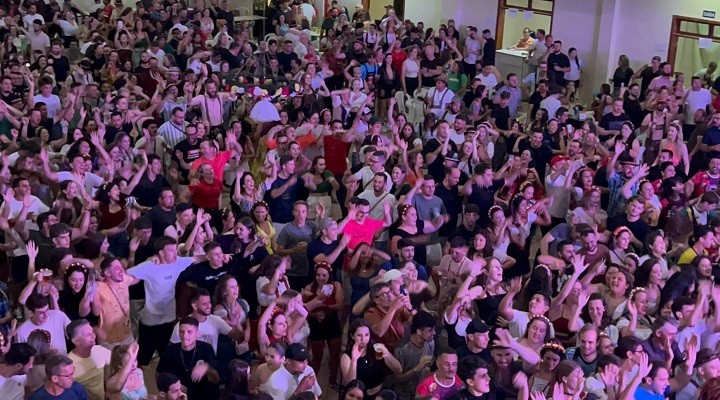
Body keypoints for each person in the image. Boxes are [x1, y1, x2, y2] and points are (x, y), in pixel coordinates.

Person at [157, 316, 220, 399]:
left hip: (204, 395)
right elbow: (159, 375)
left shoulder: (206, 349)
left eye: (189, 332)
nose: (185, 336)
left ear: (197, 333)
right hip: (180, 396)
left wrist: (207, 368)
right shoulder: (170, 352)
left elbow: (216, 379)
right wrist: (173, 388)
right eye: (182, 332)